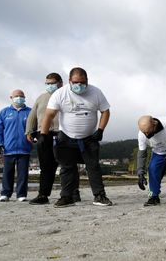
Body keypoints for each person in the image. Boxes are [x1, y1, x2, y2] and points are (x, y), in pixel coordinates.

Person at [40, 67, 113, 207]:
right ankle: (67, 197)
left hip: (89, 138)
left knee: (93, 167)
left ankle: (99, 196)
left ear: (87, 81)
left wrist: (100, 130)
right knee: (67, 168)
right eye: (75, 82)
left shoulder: (96, 92)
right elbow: (49, 114)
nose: (79, 85)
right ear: (69, 81)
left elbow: (105, 111)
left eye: (82, 82)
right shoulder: (60, 93)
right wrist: (43, 134)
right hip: (66, 136)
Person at [25, 73, 80, 205]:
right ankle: (43, 195)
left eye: (52, 83)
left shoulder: (68, 95)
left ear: (60, 83)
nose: (49, 86)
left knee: (68, 165)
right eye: (47, 83)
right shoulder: (41, 98)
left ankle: (73, 193)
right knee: (46, 167)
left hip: (64, 133)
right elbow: (32, 116)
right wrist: (29, 131)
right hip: (44, 135)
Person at [136, 115, 166, 206]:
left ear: (154, 124)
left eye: (148, 132)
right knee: (152, 169)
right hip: (158, 152)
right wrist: (140, 173)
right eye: (144, 132)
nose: (146, 135)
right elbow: (142, 154)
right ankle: (154, 197)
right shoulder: (142, 134)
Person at [0, 89, 32, 202]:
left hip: (24, 148)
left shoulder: (30, 112)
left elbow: (34, 127)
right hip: (8, 149)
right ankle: (5, 193)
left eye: (21, 96)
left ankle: (21, 194)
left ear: (24, 97)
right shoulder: (4, 112)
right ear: (11, 97)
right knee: (7, 173)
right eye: (16, 96)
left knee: (23, 174)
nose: (19, 98)